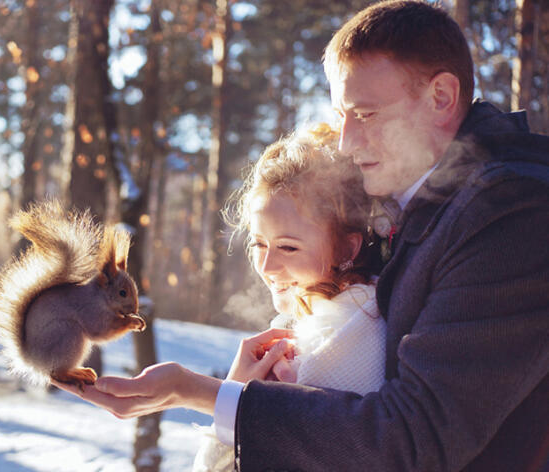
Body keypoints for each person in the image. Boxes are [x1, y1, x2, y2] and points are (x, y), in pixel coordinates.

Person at [55, 2, 549, 470]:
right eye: (341, 115)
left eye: (367, 114)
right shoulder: (422, 199)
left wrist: (200, 392)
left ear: (441, 97)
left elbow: (414, 439)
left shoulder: (512, 212)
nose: (348, 143)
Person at [192, 124, 386, 472]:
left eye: (288, 247)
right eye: (258, 243)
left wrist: (235, 394)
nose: (267, 266)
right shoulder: (316, 319)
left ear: (348, 247)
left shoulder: (341, 337)